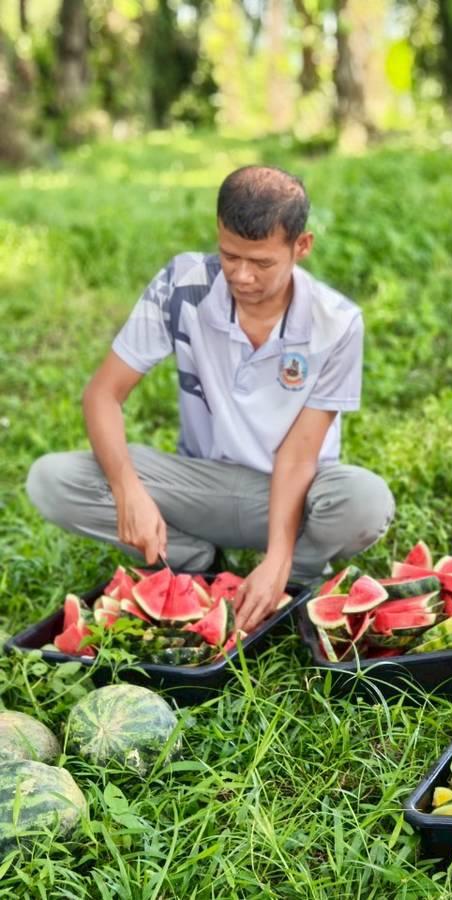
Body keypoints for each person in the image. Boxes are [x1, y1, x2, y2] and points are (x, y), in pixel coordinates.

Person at [25, 166, 395, 633]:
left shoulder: (337, 322)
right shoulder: (182, 284)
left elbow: (299, 456)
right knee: (51, 479)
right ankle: (192, 559)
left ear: (301, 246)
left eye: (261, 263)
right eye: (229, 256)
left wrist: (278, 558)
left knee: (365, 500)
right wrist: (127, 489)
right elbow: (103, 394)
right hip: (201, 485)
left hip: (294, 493)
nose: (241, 276)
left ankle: (295, 573)